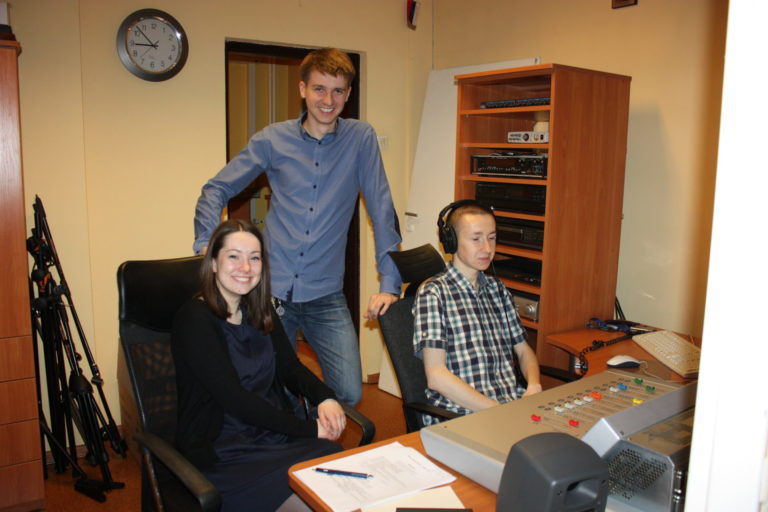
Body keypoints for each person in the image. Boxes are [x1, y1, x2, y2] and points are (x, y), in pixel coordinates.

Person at [193, 47, 401, 406]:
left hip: (326, 294)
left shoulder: (361, 139)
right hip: (269, 293)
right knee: (277, 390)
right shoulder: (272, 140)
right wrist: (207, 243)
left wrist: (390, 283)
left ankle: (311, 430)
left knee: (348, 391)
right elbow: (216, 189)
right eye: (319, 89)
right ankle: (297, 437)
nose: (328, 101)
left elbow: (382, 209)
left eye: (337, 91)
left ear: (348, 94)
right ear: (302, 88)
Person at [172, 219, 347, 512]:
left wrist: (325, 397)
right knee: (312, 494)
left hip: (269, 434)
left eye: (254, 258)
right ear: (213, 263)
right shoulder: (194, 319)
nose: (245, 267)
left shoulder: (258, 309)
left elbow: (290, 367)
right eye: (233, 256)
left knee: (333, 466)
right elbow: (234, 399)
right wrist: (309, 429)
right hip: (223, 449)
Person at [412, 200, 543, 425]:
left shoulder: (497, 289)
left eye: (491, 238)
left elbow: (523, 351)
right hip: (460, 415)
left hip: (507, 407)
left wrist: (533, 385)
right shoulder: (433, 293)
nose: (487, 248)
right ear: (451, 241)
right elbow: (436, 376)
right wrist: (499, 411)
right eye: (476, 239)